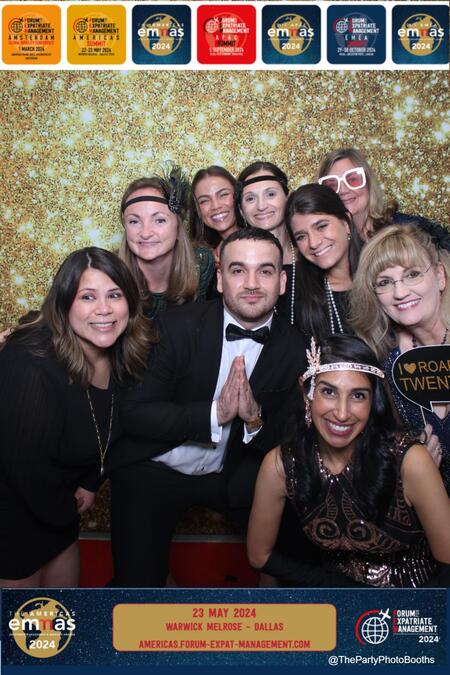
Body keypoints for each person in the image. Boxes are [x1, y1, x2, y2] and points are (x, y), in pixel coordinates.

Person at [108, 227, 307, 587]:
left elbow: (294, 436)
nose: (251, 283)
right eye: (238, 270)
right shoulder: (173, 327)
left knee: (293, 546)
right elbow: (135, 412)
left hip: (233, 470)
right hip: (155, 465)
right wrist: (216, 413)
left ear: (281, 282)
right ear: (219, 279)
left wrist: (254, 419)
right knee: (136, 582)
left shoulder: (296, 347)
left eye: (264, 271)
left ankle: (279, 609)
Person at [0, 247, 152, 587]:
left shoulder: (121, 356)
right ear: (64, 303)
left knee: (63, 614)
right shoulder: (30, 364)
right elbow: (24, 467)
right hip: (12, 516)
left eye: (115, 295)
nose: (104, 309)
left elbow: (108, 431)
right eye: (88, 296)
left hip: (58, 512)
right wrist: (64, 509)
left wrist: (90, 481)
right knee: (21, 622)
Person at [248, 335, 450, 587]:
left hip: (416, 597)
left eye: (358, 396)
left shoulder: (410, 461)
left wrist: (405, 607)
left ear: (373, 401)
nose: (342, 413)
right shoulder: (281, 465)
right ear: (306, 393)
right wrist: (341, 589)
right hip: (337, 598)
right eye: (328, 392)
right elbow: (259, 556)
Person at [350, 224, 450, 492]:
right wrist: (408, 466)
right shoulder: (381, 364)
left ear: (440, 276)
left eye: (412, 274)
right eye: (384, 282)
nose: (400, 292)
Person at [119, 165, 215, 319]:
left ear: (178, 226)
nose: (146, 233)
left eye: (159, 220)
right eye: (134, 221)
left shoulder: (203, 264)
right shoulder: (110, 274)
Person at [317, 147, 450, 247]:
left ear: (369, 183)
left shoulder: (409, 228)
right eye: (332, 185)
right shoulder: (327, 247)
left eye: (353, 180)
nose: (343, 190)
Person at [285, 183, 363, 342]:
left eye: (321, 226)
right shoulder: (292, 292)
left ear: (346, 223)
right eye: (301, 236)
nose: (313, 243)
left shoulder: (383, 275)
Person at [236, 161, 297, 325]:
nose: (261, 206)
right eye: (250, 198)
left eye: (270, 194)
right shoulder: (234, 265)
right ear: (241, 211)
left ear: (287, 199)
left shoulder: (313, 253)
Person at [190, 165, 242, 267]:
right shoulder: (202, 261)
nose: (216, 206)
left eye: (223, 195)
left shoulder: (264, 243)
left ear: (238, 195)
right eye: (204, 201)